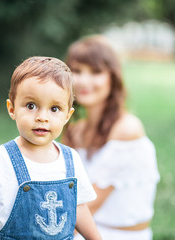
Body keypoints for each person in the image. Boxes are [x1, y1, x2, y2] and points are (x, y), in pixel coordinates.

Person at [0, 56, 102, 240]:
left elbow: (78, 208)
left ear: (68, 115)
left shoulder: (71, 159)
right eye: (31, 106)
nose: (42, 117)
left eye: (55, 109)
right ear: (12, 109)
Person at [62, 35, 160, 240]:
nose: (84, 81)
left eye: (96, 72)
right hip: (80, 230)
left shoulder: (127, 129)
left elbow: (88, 206)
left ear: (112, 77)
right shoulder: (75, 130)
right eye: (78, 71)